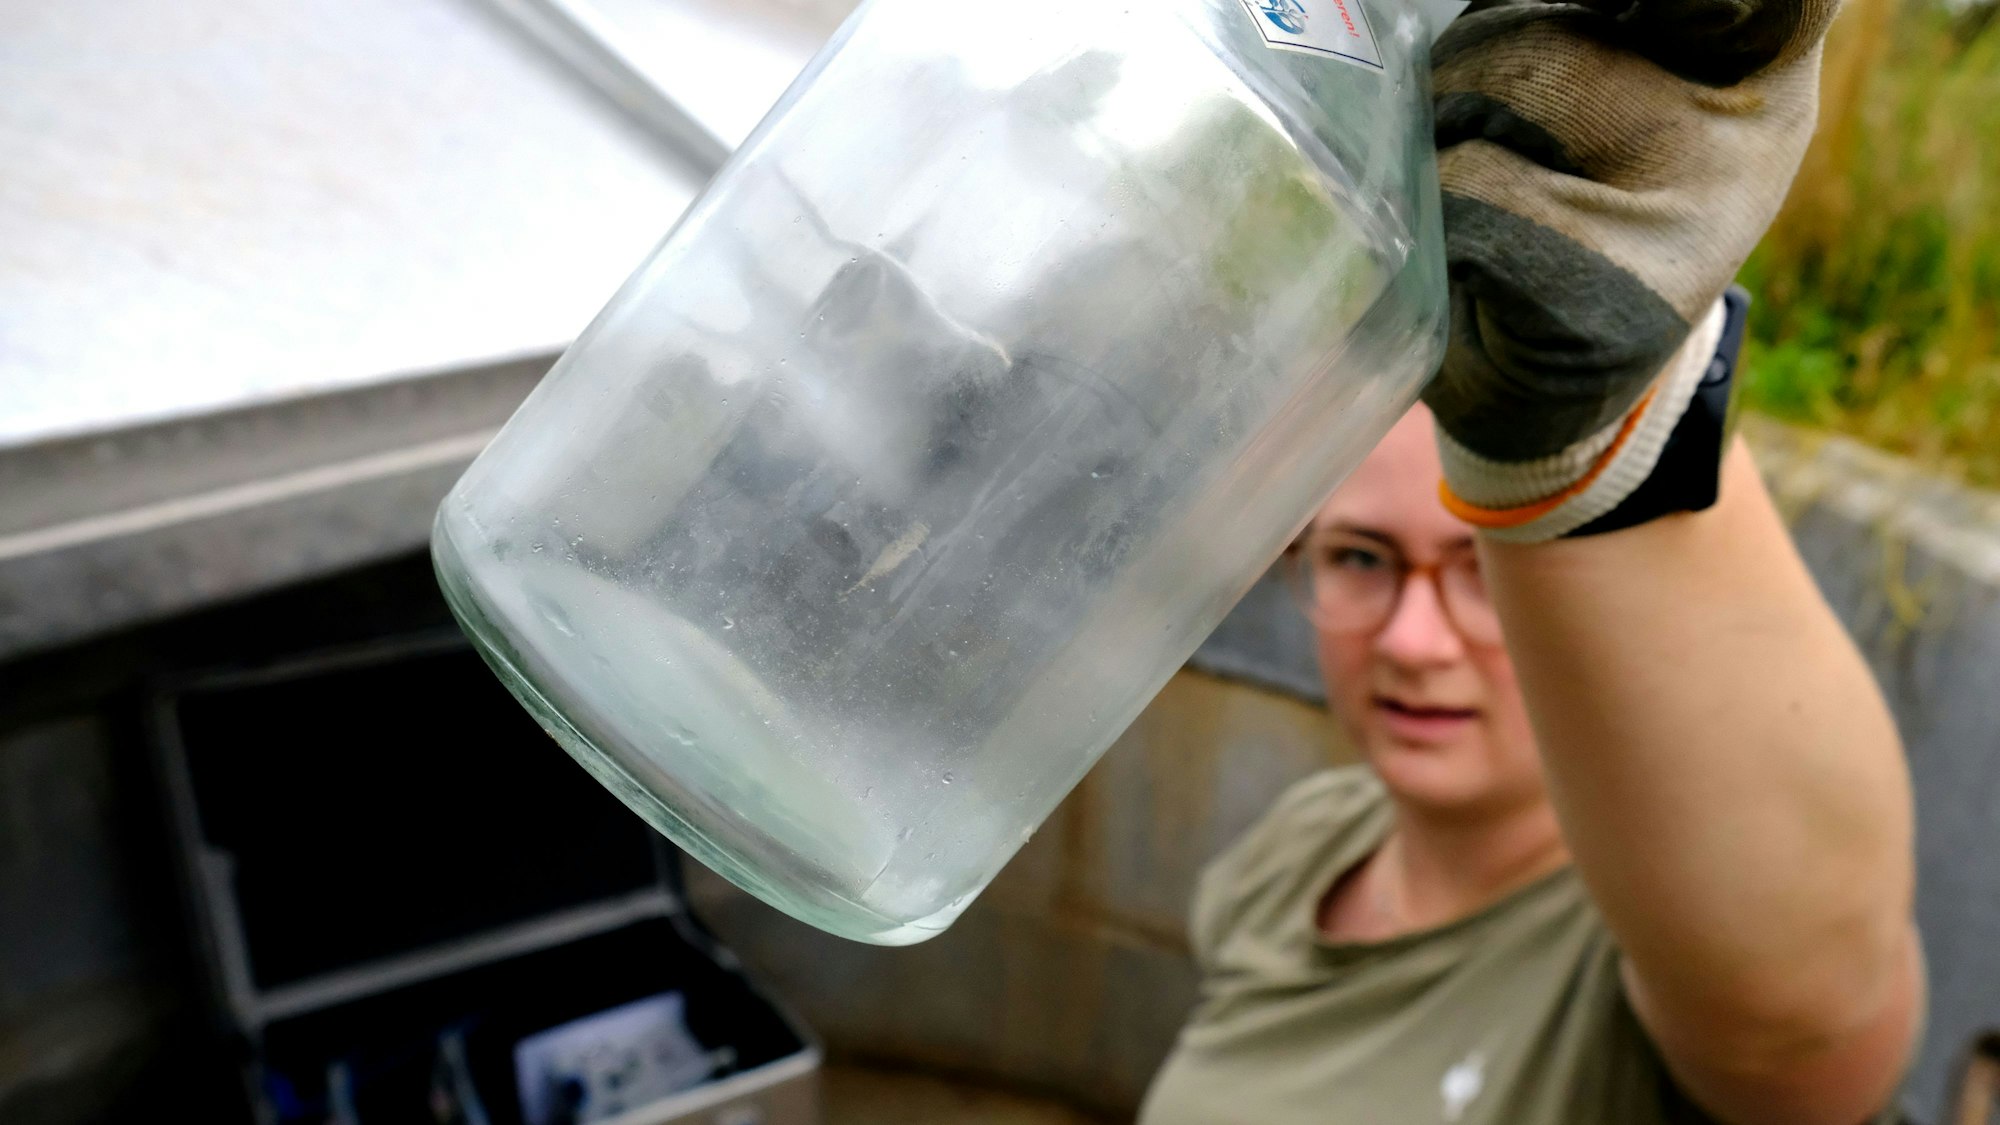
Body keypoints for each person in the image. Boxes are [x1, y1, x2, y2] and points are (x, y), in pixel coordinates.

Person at [1137, 0, 1924, 1121]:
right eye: (1361, 559)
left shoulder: (1659, 956)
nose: (1411, 644)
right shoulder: (1292, 861)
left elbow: (1805, 1012)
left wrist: (1592, 427)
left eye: (1478, 568)